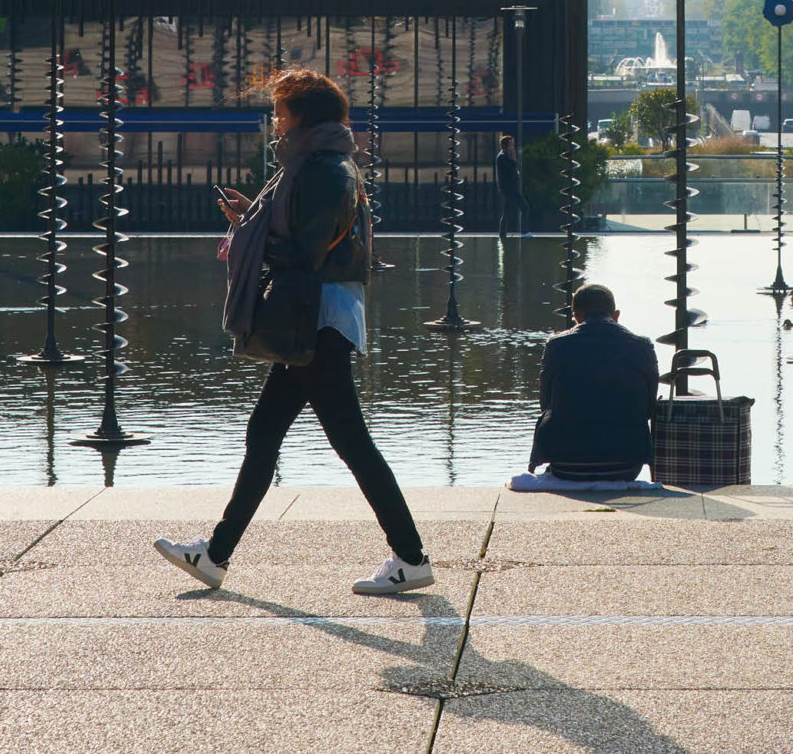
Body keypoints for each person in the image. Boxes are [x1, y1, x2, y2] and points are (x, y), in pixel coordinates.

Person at [155, 69, 432, 596]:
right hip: (316, 314)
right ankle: (215, 555)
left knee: (351, 441)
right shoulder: (314, 165)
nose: (276, 122)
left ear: (303, 115)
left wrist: (250, 235)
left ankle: (411, 557)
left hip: (318, 318)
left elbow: (304, 252)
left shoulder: (323, 170)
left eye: (281, 111)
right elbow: (299, 238)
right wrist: (250, 224)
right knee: (266, 434)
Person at [516, 282, 658, 485]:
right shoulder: (642, 346)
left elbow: (546, 403)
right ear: (616, 315)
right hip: (626, 463)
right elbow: (649, 407)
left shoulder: (556, 345)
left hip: (566, 464)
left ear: (576, 317)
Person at [495, 132, 527, 236]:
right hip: (509, 189)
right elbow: (512, 168)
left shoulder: (505, 156)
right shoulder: (502, 157)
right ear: (506, 145)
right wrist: (513, 156)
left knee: (507, 211)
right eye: (511, 144)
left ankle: (502, 233)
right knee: (524, 207)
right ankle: (524, 231)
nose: (513, 147)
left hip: (510, 188)